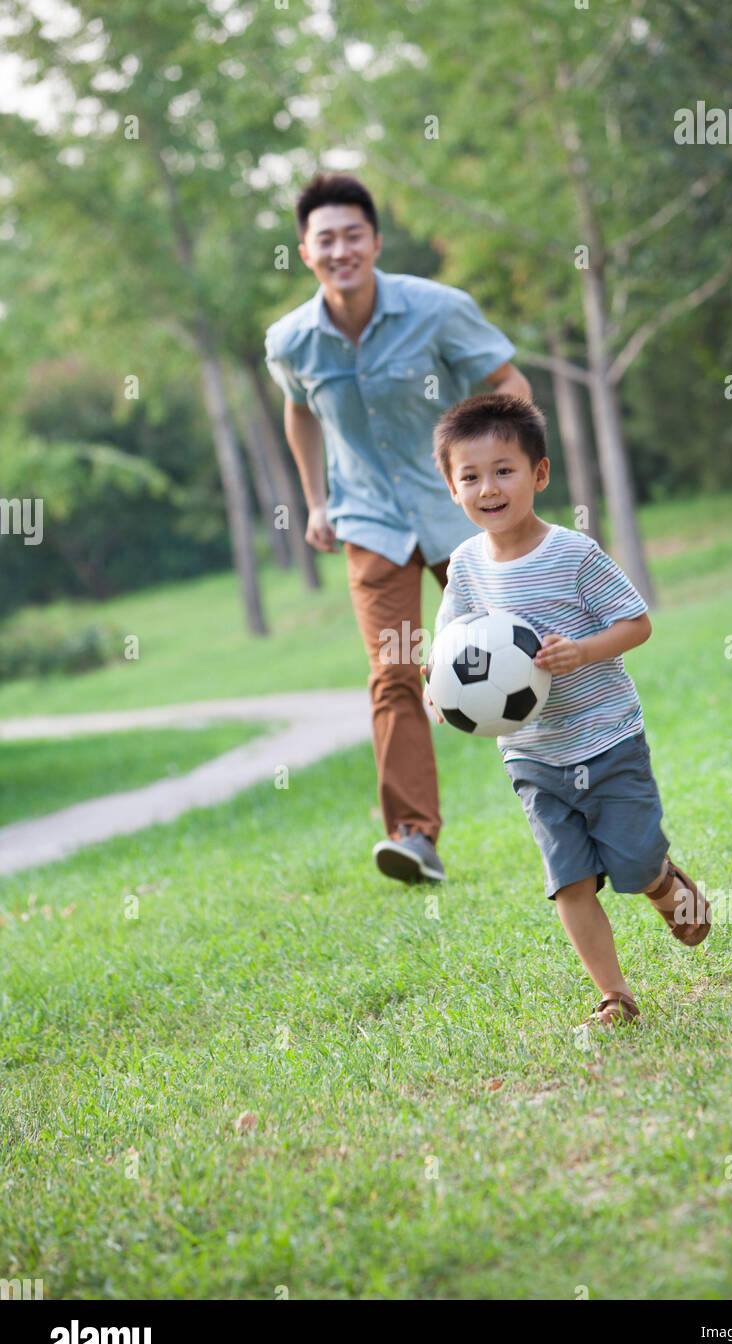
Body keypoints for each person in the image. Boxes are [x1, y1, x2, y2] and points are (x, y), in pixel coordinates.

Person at [264, 173, 531, 884]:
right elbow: (298, 409)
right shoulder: (291, 341)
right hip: (371, 525)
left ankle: (581, 786)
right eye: (327, 239)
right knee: (394, 674)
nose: (342, 248)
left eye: (354, 235)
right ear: (306, 250)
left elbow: (508, 384)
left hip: (461, 516)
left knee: (525, 649)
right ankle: (414, 837)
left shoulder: (438, 310)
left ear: (376, 242)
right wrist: (315, 499)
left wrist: (506, 474)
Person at [426, 393, 711, 1030]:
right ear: (451, 488)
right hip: (532, 756)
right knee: (569, 881)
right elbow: (448, 647)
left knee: (633, 866)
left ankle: (663, 882)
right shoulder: (466, 566)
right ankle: (615, 997)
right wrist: (435, 691)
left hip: (606, 738)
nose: (488, 488)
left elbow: (636, 624)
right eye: (469, 476)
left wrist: (581, 651)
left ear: (540, 474)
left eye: (504, 470)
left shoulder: (574, 553)